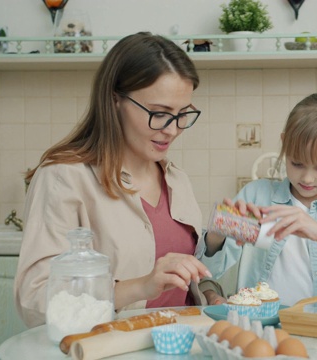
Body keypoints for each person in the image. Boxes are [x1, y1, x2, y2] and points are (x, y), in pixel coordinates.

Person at [14, 32, 225, 328]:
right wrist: (138, 287)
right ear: (115, 99)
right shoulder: (64, 177)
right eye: (159, 113)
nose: (172, 129)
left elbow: (179, 286)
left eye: (182, 114)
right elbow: (34, 300)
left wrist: (210, 292)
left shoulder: (177, 179)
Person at [200, 93, 317, 306]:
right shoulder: (256, 196)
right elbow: (207, 269)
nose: (307, 178)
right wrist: (217, 233)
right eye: (297, 163)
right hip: (260, 326)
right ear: (285, 144)